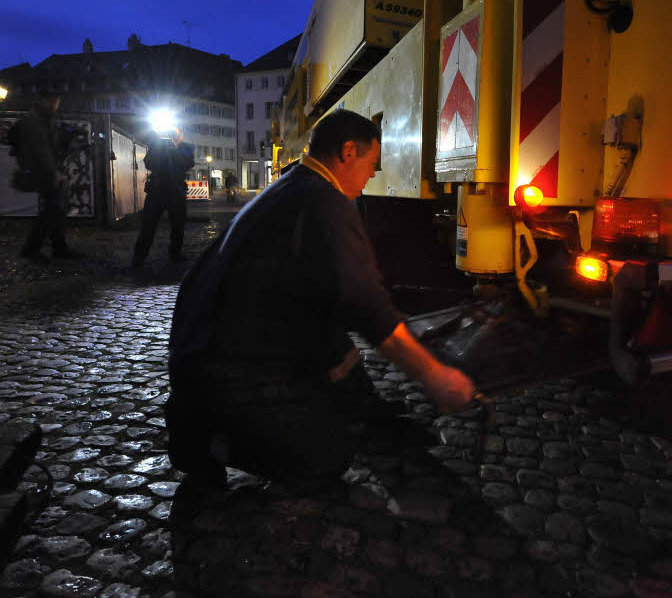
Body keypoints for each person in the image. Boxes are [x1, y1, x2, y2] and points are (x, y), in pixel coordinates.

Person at [165, 108, 476, 482]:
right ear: (348, 152)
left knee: (332, 340)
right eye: (372, 162)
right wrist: (436, 376)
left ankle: (360, 411)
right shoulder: (324, 204)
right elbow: (367, 307)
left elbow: (324, 299)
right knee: (326, 458)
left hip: (199, 352)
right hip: (226, 371)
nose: (373, 174)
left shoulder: (288, 189)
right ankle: (208, 438)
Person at [14, 87, 82, 263]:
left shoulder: (43, 119)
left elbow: (50, 147)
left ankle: (59, 248)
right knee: (52, 210)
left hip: (45, 169)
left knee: (54, 209)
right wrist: (53, 172)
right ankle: (32, 249)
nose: (56, 105)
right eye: (54, 101)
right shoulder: (35, 121)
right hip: (41, 170)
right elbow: (41, 149)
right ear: (44, 101)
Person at [133, 125, 194, 266]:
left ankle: (175, 253)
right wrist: (160, 151)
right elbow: (148, 163)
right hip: (158, 188)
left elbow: (187, 164)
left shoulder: (186, 148)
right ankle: (140, 255)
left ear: (181, 136)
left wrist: (174, 151)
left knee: (178, 225)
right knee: (149, 224)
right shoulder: (157, 145)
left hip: (176, 189)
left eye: (176, 134)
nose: (173, 136)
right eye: (171, 134)